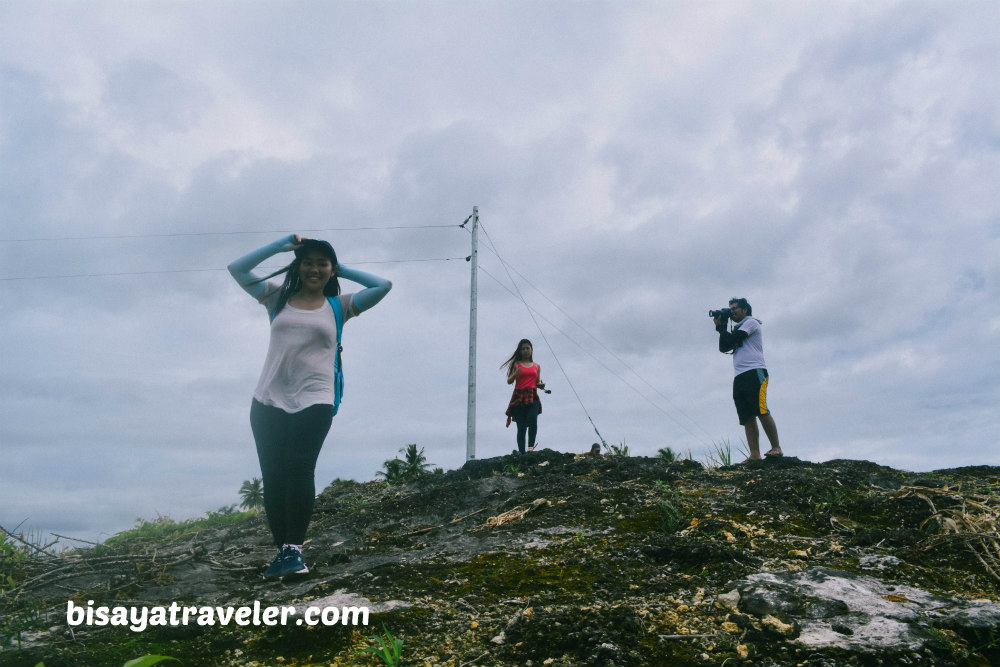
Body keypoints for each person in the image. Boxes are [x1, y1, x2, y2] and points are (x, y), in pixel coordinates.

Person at [228, 234, 391, 578]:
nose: (314, 268)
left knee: (300, 468)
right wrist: (278, 247)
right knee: (273, 477)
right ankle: (282, 554)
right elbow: (237, 269)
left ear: (331, 269)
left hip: (316, 398)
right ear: (298, 266)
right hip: (267, 399)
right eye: (308, 262)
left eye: (322, 263)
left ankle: (294, 550)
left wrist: (340, 268)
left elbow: (383, 284)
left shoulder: (340, 306)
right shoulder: (276, 298)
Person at [713, 298, 783, 463]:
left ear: (745, 310)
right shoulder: (738, 327)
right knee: (746, 415)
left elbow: (732, 340)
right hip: (740, 375)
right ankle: (755, 454)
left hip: (755, 371)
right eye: (730, 309)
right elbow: (724, 347)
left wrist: (724, 329)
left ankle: (776, 447)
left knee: (761, 409)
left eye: (734, 308)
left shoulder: (751, 323)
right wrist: (721, 329)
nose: (731, 312)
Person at [502, 339, 545, 455]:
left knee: (532, 419)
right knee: (521, 427)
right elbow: (509, 381)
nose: (525, 350)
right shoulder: (516, 364)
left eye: (527, 348)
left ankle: (530, 447)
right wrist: (516, 373)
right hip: (519, 396)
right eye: (523, 349)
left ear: (531, 350)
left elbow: (537, 382)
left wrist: (541, 385)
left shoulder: (537, 366)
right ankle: (522, 453)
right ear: (520, 351)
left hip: (532, 395)